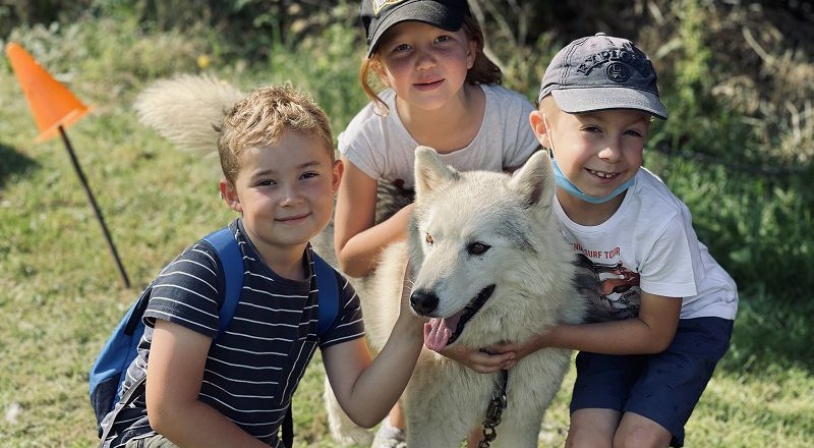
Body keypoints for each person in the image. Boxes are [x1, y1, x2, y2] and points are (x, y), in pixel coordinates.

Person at [437, 33, 739, 447]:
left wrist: (548, 335)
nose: (612, 152)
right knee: (588, 440)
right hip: (610, 321)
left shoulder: (660, 220)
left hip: (688, 321)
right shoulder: (518, 203)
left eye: (631, 133)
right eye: (592, 129)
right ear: (543, 129)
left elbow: (655, 334)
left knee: (637, 439)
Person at [102, 85, 426, 448]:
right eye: (267, 182)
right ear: (232, 196)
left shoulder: (333, 294)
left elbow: (363, 407)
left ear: (336, 178)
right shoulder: (203, 272)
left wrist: (410, 326)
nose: (291, 197)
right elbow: (169, 411)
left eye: (308, 175)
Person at [332, 1, 541, 445]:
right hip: (404, 238)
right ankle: (398, 419)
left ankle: (480, 429)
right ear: (382, 70)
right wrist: (422, 212)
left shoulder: (510, 118)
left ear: (471, 49)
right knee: (411, 268)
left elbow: (536, 222)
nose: (424, 61)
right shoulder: (372, 133)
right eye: (402, 48)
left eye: (441, 40)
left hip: (483, 252)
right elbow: (350, 255)